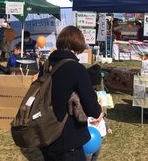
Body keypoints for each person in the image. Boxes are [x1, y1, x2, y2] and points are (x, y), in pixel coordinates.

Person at [40, 26, 102, 161]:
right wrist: (100, 110)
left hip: (46, 132)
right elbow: (92, 108)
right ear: (78, 44)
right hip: (68, 139)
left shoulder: (46, 64)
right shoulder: (76, 69)